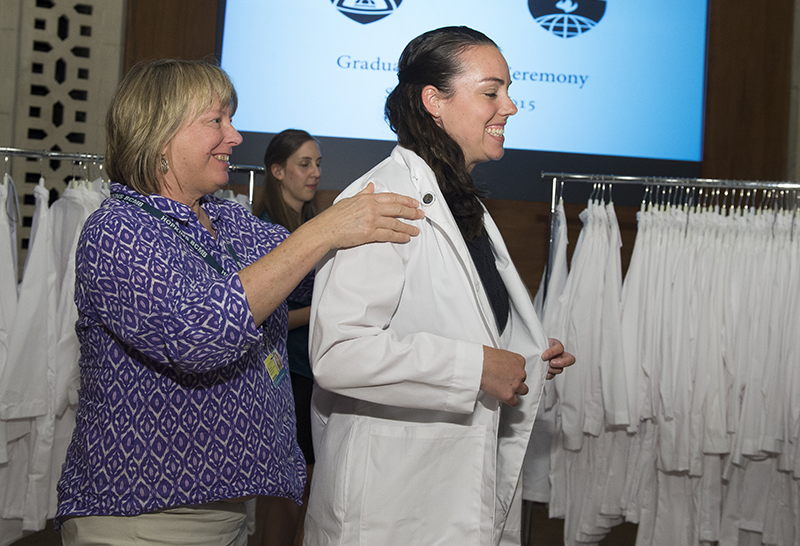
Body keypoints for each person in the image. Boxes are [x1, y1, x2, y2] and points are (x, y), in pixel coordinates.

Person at [54, 59, 424, 546]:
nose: (235, 137)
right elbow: (196, 336)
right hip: (137, 520)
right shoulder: (118, 229)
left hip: (226, 515)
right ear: (160, 135)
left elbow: (325, 281)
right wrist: (320, 231)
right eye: (216, 121)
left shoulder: (230, 223)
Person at [304, 27, 576, 546]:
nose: (511, 107)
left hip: (442, 491)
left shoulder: (459, 202)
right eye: (491, 92)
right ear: (434, 100)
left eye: (508, 91)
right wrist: (477, 368)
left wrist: (523, 355)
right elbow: (340, 352)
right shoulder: (383, 198)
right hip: (389, 505)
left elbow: (454, 319)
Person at [251, 129, 322, 546]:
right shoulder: (262, 232)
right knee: (287, 490)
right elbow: (262, 316)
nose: (314, 173)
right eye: (304, 164)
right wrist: (321, 311)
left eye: (317, 164)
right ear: (277, 171)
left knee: (307, 486)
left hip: (314, 369)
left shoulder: (313, 224)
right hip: (283, 373)